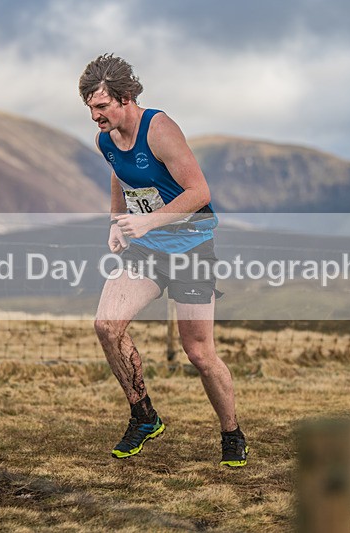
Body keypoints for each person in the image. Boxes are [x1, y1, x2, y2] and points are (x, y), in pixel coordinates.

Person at [78, 54, 248, 467]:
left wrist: (149, 221)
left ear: (125, 98)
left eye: (101, 107)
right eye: (89, 107)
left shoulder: (160, 129)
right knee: (107, 324)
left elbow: (199, 193)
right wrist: (118, 223)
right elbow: (119, 175)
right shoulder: (106, 138)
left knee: (199, 353)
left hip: (191, 248)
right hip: (147, 251)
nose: (94, 115)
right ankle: (144, 416)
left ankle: (232, 433)